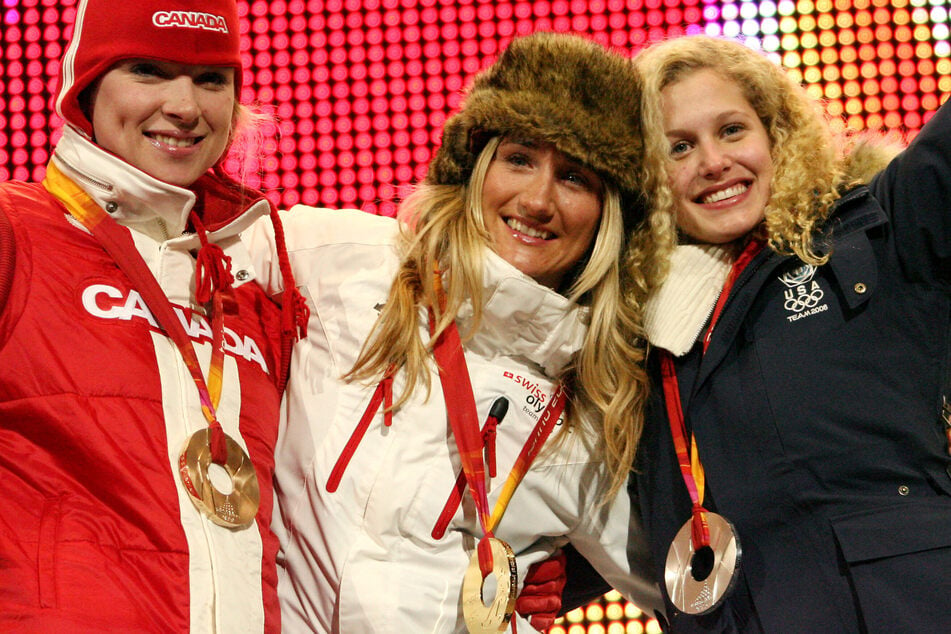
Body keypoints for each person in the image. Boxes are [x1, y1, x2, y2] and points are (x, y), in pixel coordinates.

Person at [246, 32, 665, 632]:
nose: (538, 199)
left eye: (575, 178)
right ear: (475, 166)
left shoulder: (594, 416)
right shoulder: (338, 258)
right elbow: (168, 253)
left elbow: (699, 592)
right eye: (519, 159)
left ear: (608, 214)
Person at [616, 34, 950, 631]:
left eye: (733, 130)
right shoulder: (628, 329)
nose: (713, 162)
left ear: (776, 134)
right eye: (679, 147)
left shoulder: (877, 229)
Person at [0, 1, 305, 631]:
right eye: (148, 70)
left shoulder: (254, 279)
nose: (185, 107)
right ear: (86, 87)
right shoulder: (13, 231)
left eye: (211, 79)